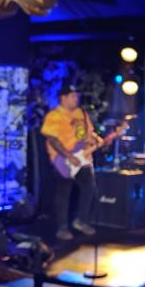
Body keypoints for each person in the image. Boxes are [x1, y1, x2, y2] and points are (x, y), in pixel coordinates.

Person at [40, 84, 100, 241]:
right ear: (63, 98)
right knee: (63, 192)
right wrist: (68, 156)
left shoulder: (81, 113)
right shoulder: (54, 115)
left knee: (90, 187)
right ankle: (62, 228)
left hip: (81, 157)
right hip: (62, 158)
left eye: (77, 95)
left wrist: (94, 140)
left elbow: (88, 133)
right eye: (73, 96)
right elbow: (53, 139)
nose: (76, 99)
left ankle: (81, 220)